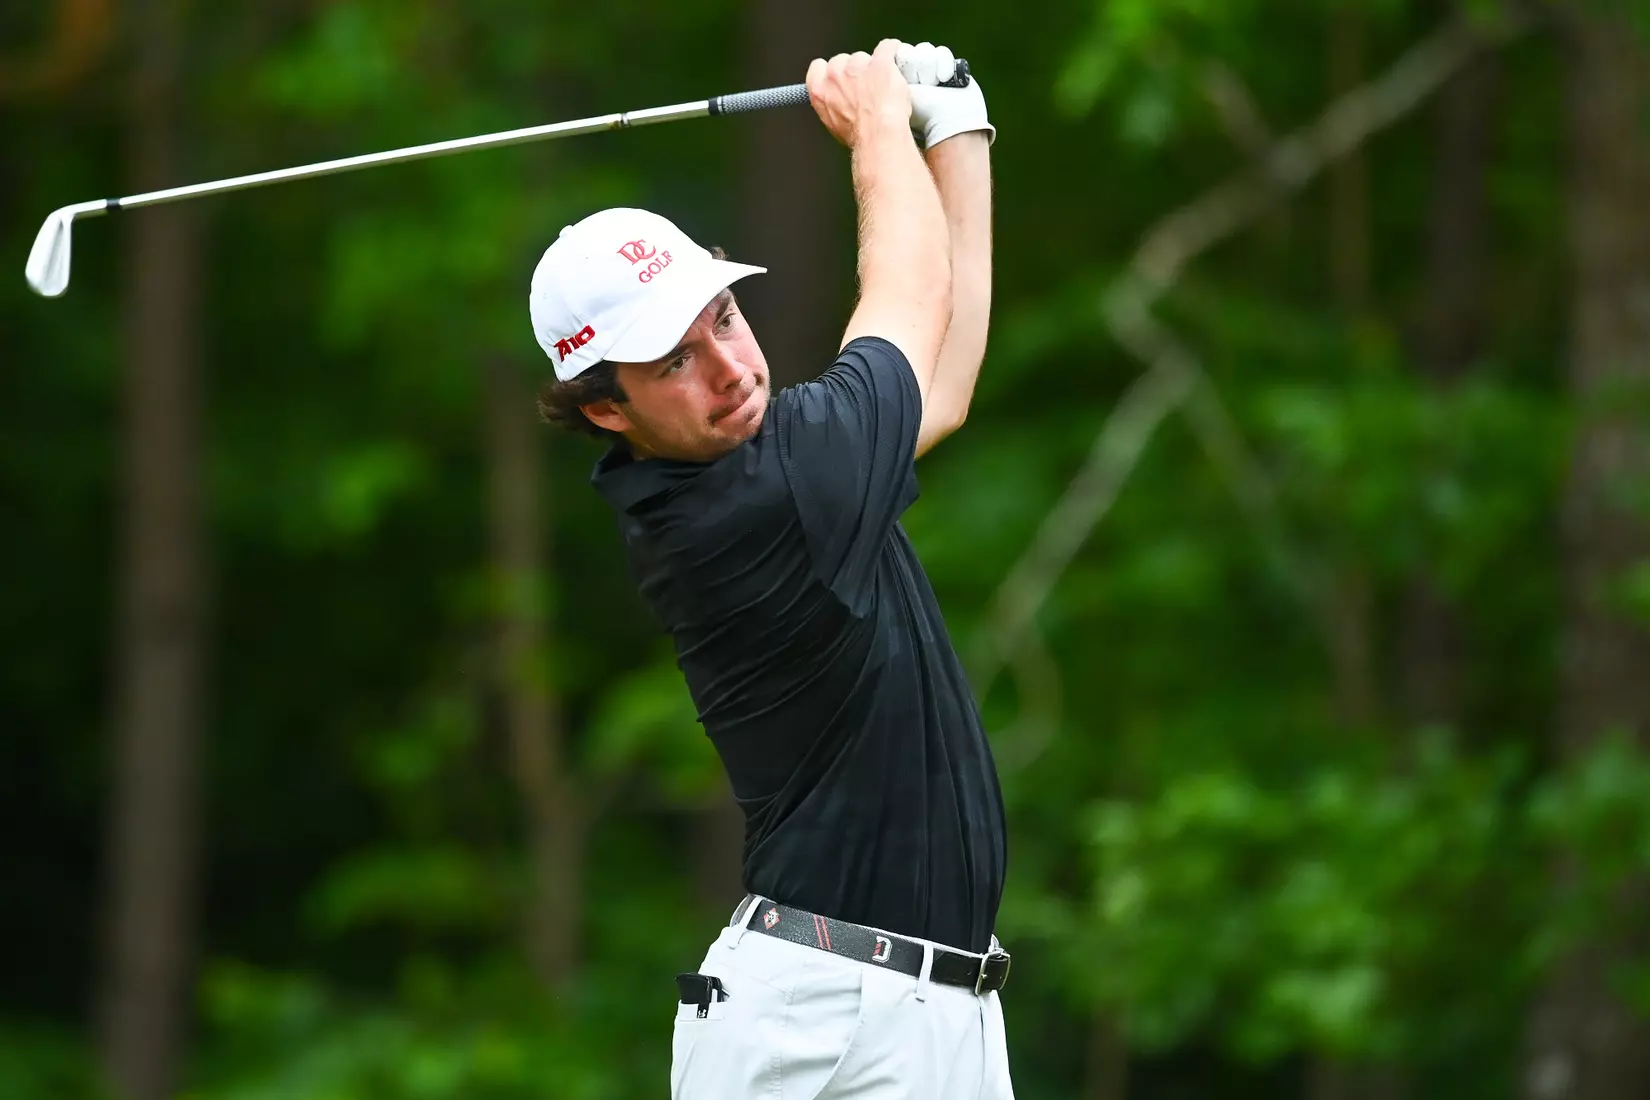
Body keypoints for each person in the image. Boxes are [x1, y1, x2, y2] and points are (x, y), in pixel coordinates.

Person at [528, 38, 1010, 1099]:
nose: (732, 367)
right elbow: (905, 301)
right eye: (675, 361)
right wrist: (880, 125)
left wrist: (957, 128)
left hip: (933, 1012)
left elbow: (946, 377)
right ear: (606, 408)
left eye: (725, 319)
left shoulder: (770, 461)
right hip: (818, 1026)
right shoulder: (754, 504)